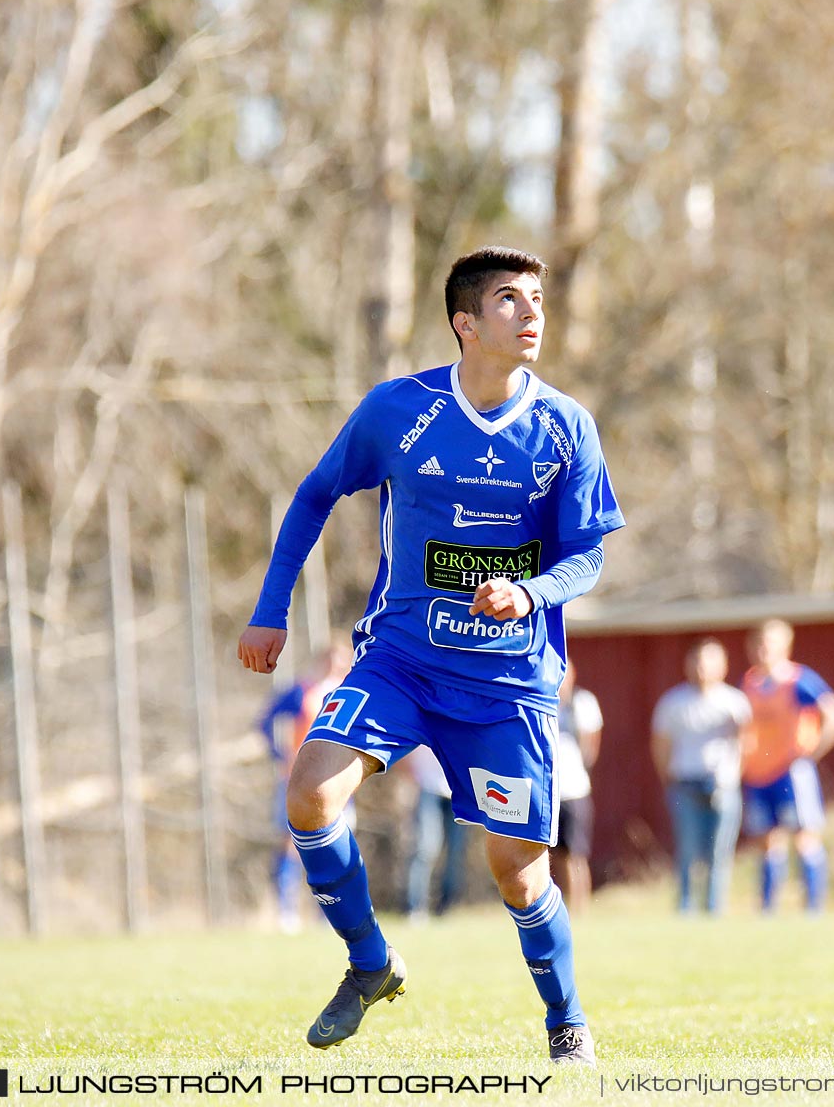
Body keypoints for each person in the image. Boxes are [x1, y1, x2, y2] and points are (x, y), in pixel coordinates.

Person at [238, 246, 623, 1066]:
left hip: (508, 683)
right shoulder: (397, 411)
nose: (532, 314)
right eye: (511, 301)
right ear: (466, 323)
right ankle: (371, 964)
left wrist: (533, 592)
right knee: (308, 795)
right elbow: (314, 494)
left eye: (538, 300)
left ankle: (568, 1022)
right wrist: (270, 611)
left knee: (517, 875)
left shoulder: (565, 425)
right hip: (401, 665)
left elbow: (588, 554)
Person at [740, 618, 834, 913]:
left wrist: (811, 753)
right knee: (767, 841)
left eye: (770, 643)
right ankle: (767, 909)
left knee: (804, 837)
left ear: (785, 647)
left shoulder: (799, 680)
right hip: (758, 772)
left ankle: (813, 908)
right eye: (759, 643)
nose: (763, 650)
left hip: (789, 771)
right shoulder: (749, 682)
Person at [650, 638, 750, 915]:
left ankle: (715, 908)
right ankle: (685, 907)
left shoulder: (734, 702)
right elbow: (661, 743)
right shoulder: (674, 702)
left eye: (709, 661)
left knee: (719, 852)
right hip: (685, 782)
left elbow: (746, 742)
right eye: (697, 661)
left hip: (723, 784)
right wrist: (668, 777)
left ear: (723, 666)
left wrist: (734, 775)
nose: (702, 667)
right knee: (688, 849)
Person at [260, 642, 354, 931]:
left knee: (334, 845)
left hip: (336, 781)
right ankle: (287, 911)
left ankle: (328, 913)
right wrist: (280, 755)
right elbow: (266, 720)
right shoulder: (304, 690)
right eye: (331, 660)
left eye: (341, 662)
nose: (335, 667)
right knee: (290, 843)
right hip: (298, 779)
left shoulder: (349, 692)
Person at [548, 662, 603, 913]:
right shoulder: (542, 702)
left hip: (575, 789)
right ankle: (562, 908)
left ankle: (580, 908)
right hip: (549, 792)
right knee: (555, 855)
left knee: (576, 855)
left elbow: (590, 747)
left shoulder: (583, 703)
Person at [401, 746, 467, 921]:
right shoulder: (422, 717)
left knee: (455, 851)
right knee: (425, 847)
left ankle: (446, 908)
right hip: (428, 787)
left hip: (458, 790)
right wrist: (412, 775)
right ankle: (416, 908)